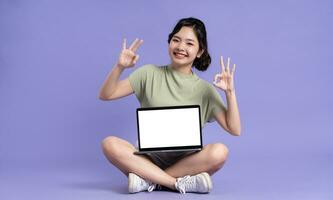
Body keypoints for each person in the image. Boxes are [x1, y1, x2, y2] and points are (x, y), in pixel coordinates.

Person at [99, 17, 241, 194]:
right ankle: (175, 183)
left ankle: (149, 180)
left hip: (187, 162)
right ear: (169, 43)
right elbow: (106, 94)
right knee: (109, 144)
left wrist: (230, 93)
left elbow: (234, 129)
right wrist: (119, 67)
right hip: (146, 159)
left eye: (189, 43)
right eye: (176, 40)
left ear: (200, 51)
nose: (181, 47)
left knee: (220, 151)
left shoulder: (206, 90)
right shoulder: (148, 73)